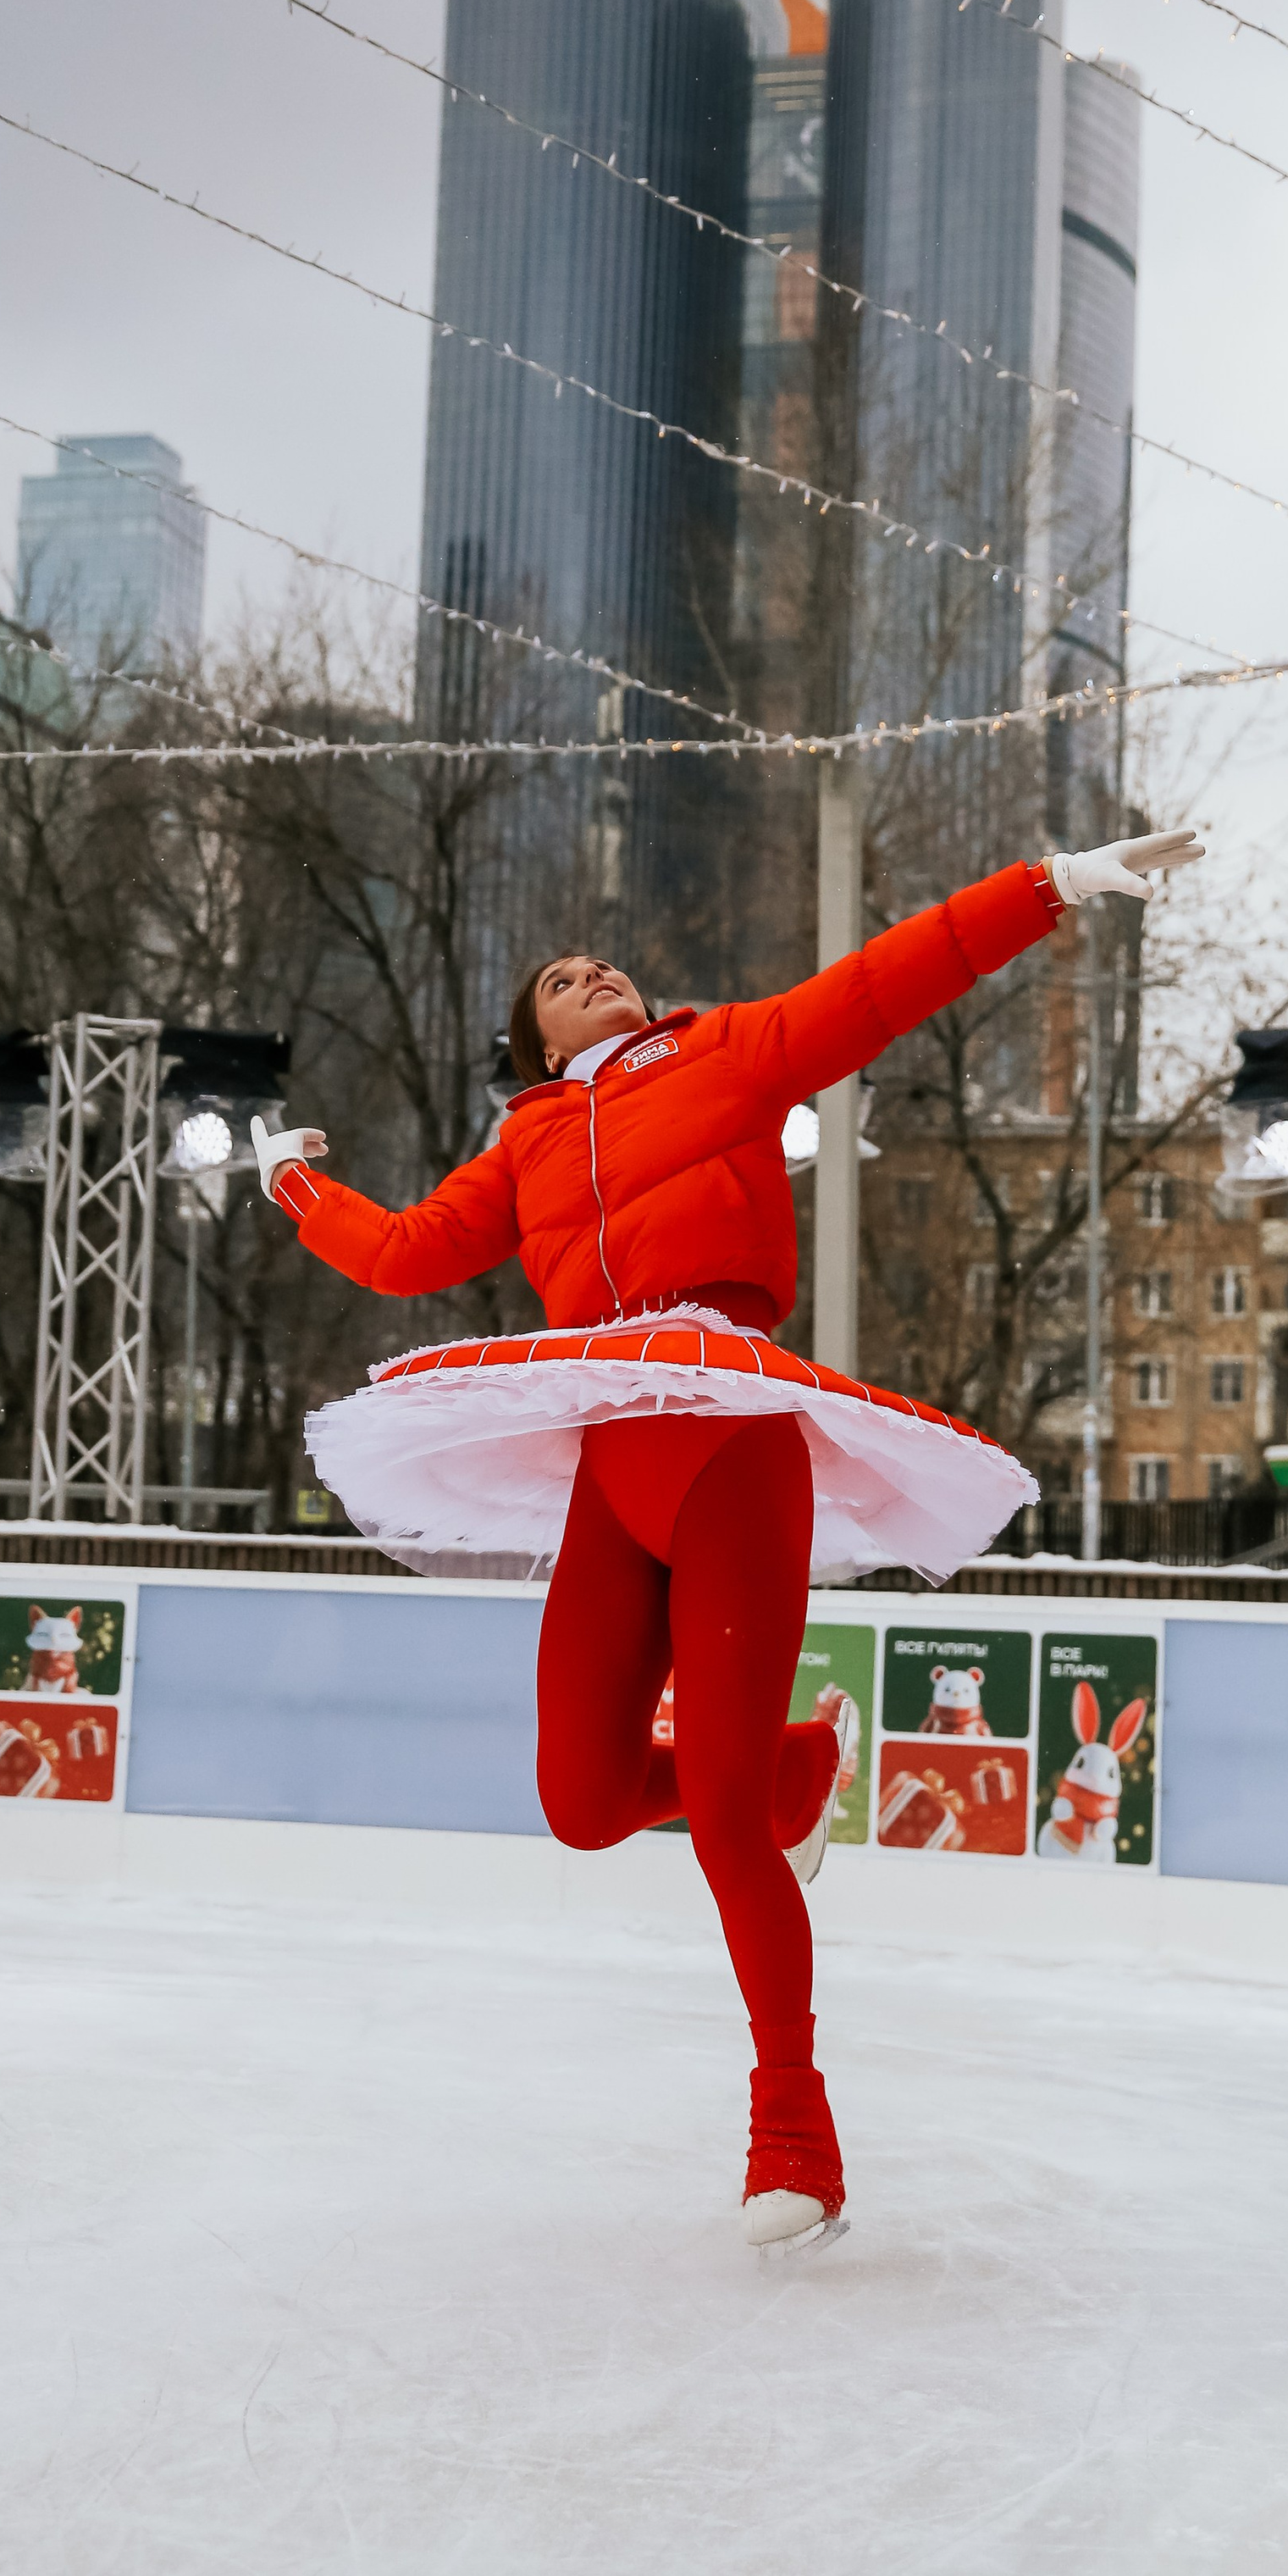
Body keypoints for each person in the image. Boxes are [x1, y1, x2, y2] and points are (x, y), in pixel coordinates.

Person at [252, 828, 1203, 2250]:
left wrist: (1048, 886)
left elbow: (888, 983)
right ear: (535, 1040)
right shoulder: (520, 1143)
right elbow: (400, 1254)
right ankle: (791, 1775)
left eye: (606, 964)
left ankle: (794, 2137)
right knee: (580, 1802)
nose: (599, 973)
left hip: (733, 1441)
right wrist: (291, 1183)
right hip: (610, 1458)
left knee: (719, 1823)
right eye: (566, 979)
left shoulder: (729, 1056)